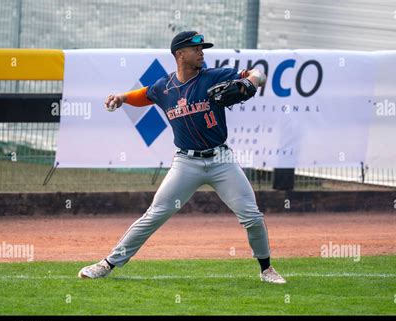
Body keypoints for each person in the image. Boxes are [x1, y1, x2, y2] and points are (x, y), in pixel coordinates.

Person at [78, 31, 286, 284]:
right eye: (195, 49)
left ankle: (266, 270)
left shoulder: (214, 76)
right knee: (154, 215)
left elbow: (259, 74)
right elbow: (144, 94)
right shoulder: (164, 87)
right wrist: (122, 97)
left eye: (202, 49)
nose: (201, 53)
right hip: (186, 163)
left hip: (221, 161)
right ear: (180, 54)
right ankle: (107, 263)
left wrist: (252, 80)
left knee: (252, 217)